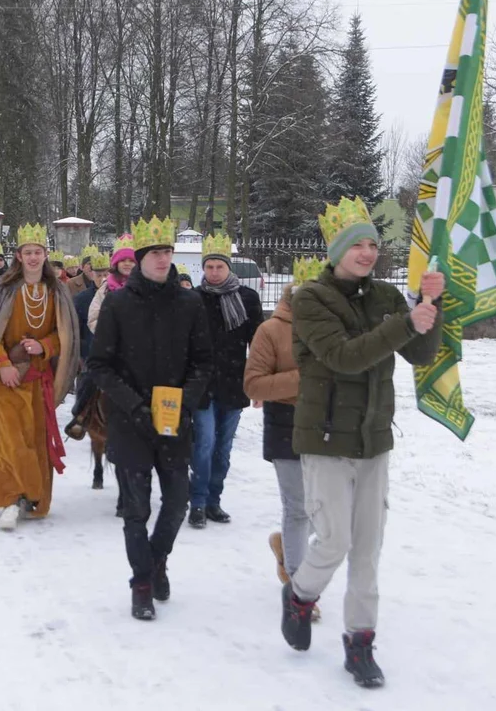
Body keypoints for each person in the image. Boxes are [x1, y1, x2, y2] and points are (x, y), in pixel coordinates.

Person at [278, 197, 444, 688]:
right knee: (334, 541)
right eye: (359, 245)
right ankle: (301, 596)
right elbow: (343, 357)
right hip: (326, 438)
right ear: (337, 250)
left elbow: (419, 353)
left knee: (367, 548)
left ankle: (360, 643)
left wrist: (431, 306)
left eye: (374, 245)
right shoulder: (310, 299)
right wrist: (405, 322)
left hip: (373, 439)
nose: (368, 253)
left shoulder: (388, 297)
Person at [88, 217, 212, 621]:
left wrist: (187, 401)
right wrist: (134, 406)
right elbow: (101, 365)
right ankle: (141, 582)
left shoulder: (190, 302)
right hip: (131, 423)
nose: (164, 259)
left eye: (168, 252)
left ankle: (157, 559)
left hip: (175, 423)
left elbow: (203, 361)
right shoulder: (118, 304)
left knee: (177, 502)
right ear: (140, 258)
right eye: (156, 253)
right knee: (136, 510)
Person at [243, 258, 325, 621]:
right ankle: (299, 587)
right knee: (298, 508)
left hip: (331, 426)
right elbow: (254, 384)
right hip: (287, 424)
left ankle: (285, 551)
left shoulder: (334, 328)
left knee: (327, 513)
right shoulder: (271, 330)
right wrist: (304, 378)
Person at [0, 224, 75, 531]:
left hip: (37, 377)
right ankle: (11, 499)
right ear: (19, 256)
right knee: (10, 441)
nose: (34, 257)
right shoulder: (2, 288)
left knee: (35, 439)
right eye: (28, 252)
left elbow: (65, 335)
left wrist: (44, 346)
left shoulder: (57, 291)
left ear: (45, 255)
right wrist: (1, 364)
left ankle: (33, 498)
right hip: (6, 380)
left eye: (38, 252)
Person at [186, 234, 263, 528]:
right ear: (203, 269)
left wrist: (258, 383)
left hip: (234, 381)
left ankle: (214, 500)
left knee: (223, 447)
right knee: (204, 443)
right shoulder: (192, 298)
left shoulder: (247, 298)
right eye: (210, 267)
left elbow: (257, 343)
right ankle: (198, 502)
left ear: (228, 268)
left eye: (219, 266)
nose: (214, 272)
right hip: (202, 384)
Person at [67, 251, 111, 489]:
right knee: (86, 383)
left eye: (106, 273)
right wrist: (82, 355)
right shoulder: (82, 299)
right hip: (91, 355)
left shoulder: (119, 293)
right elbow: (75, 329)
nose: (103, 277)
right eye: (99, 273)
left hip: (117, 359)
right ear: (91, 273)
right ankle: (80, 417)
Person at [87, 235, 136, 335]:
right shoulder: (106, 288)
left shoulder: (145, 285)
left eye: (131, 260)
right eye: (122, 260)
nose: (127, 263)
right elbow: (93, 319)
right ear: (116, 263)